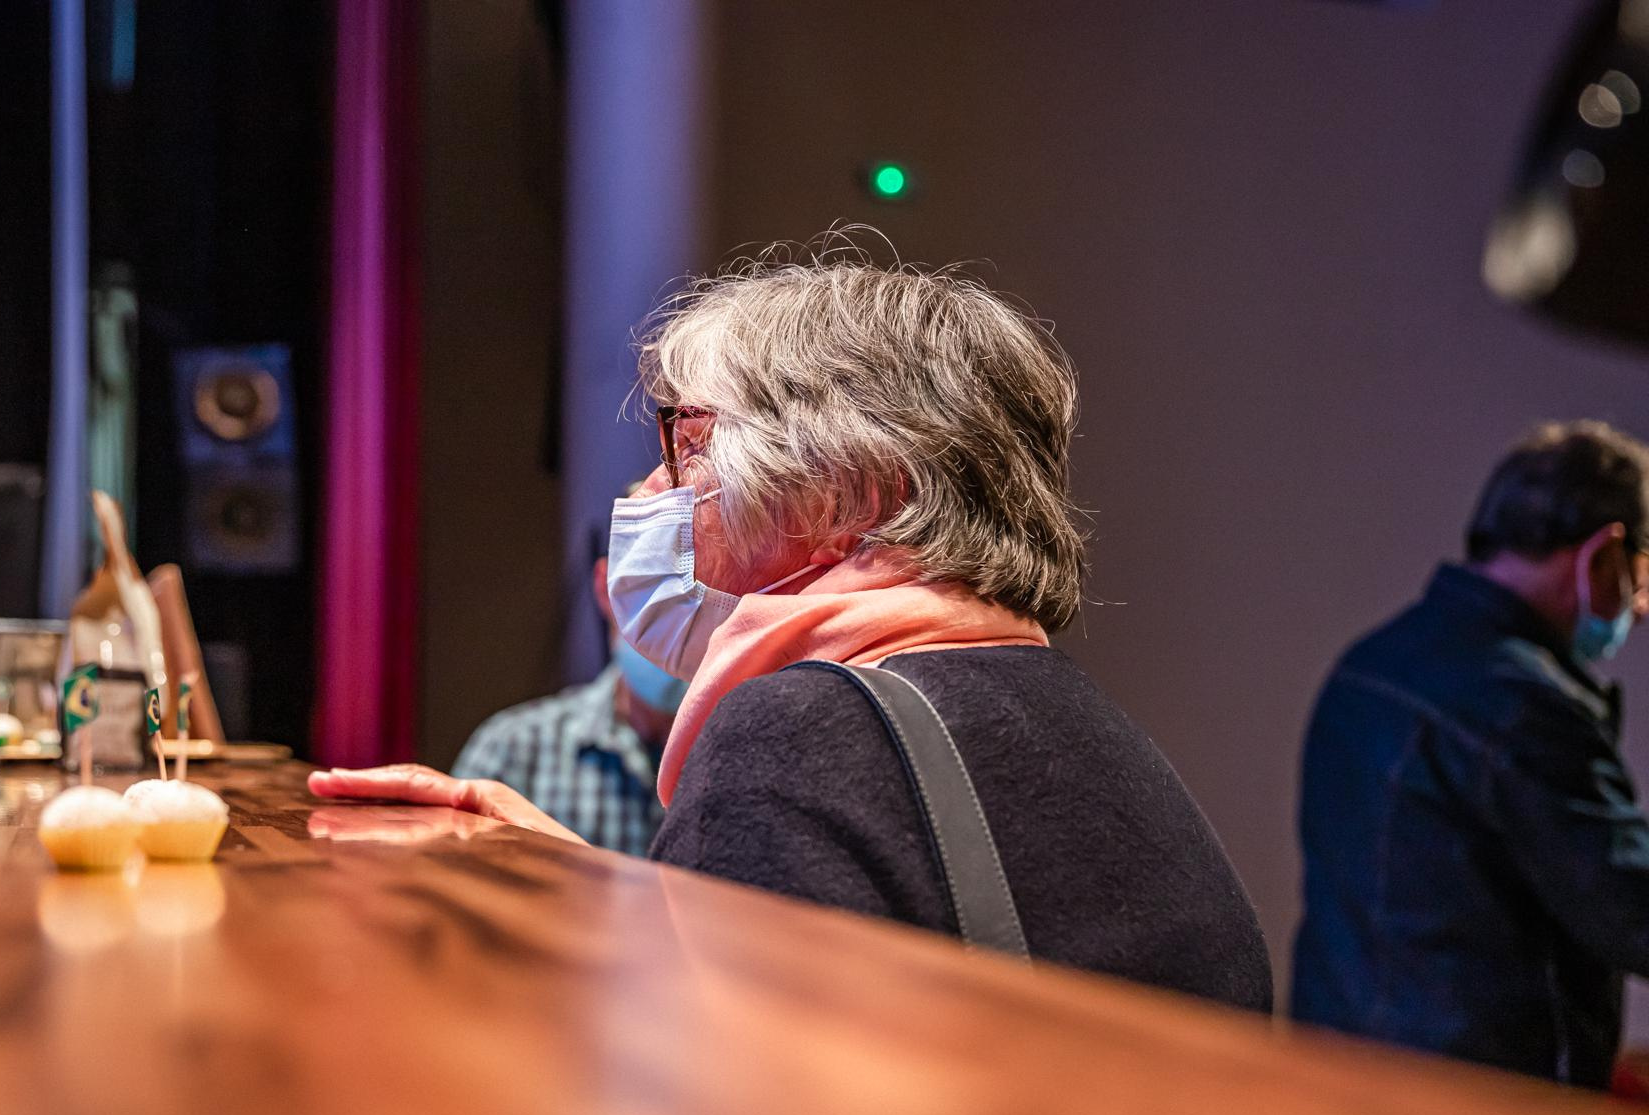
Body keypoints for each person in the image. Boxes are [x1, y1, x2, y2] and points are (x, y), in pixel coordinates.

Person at [312, 247, 1272, 1012]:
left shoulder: (803, 731)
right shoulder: (1074, 717)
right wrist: (593, 887)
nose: (652, 494)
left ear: (847, 498)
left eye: (691, 446)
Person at [1294, 421, 1649, 1087]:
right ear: (1604, 553)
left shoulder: (1368, 666)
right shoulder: (1524, 704)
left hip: (1340, 1078)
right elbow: (1633, 909)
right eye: (1643, 578)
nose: (1641, 607)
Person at [449, 543, 682, 857]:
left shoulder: (749, 754)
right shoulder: (513, 750)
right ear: (606, 585)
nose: (678, 623)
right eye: (653, 587)